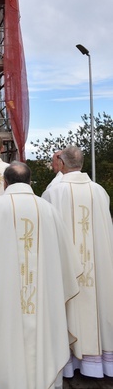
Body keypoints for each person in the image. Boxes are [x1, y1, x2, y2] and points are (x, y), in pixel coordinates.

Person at [0, 161, 82, 389]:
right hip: (42, 296)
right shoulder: (48, 209)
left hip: (3, 291)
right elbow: (67, 256)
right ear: (30, 181)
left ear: (5, 182)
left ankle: (2, 379)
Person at [42, 145, 113, 379]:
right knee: (99, 303)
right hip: (99, 265)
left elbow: (46, 229)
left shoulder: (55, 191)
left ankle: (70, 363)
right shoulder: (99, 190)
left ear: (61, 163)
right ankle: (99, 365)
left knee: (68, 303)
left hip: (67, 266)